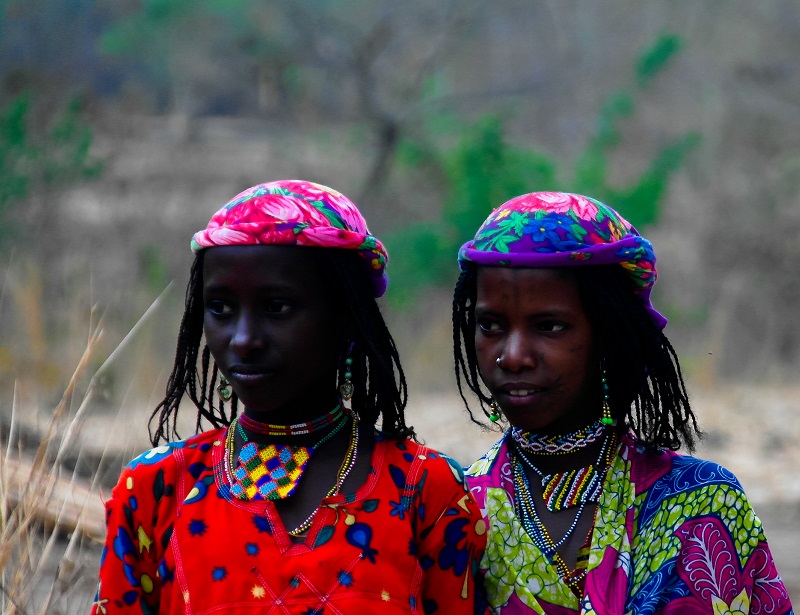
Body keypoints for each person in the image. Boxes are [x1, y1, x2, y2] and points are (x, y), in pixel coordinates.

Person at [90, 179, 486, 614]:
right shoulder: (157, 490)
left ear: (346, 319)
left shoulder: (425, 489)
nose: (243, 339)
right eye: (220, 308)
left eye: (277, 307)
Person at [452, 191, 794, 614]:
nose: (513, 355)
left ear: (612, 335)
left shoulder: (700, 505)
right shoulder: (456, 509)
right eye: (490, 325)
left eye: (549, 326)